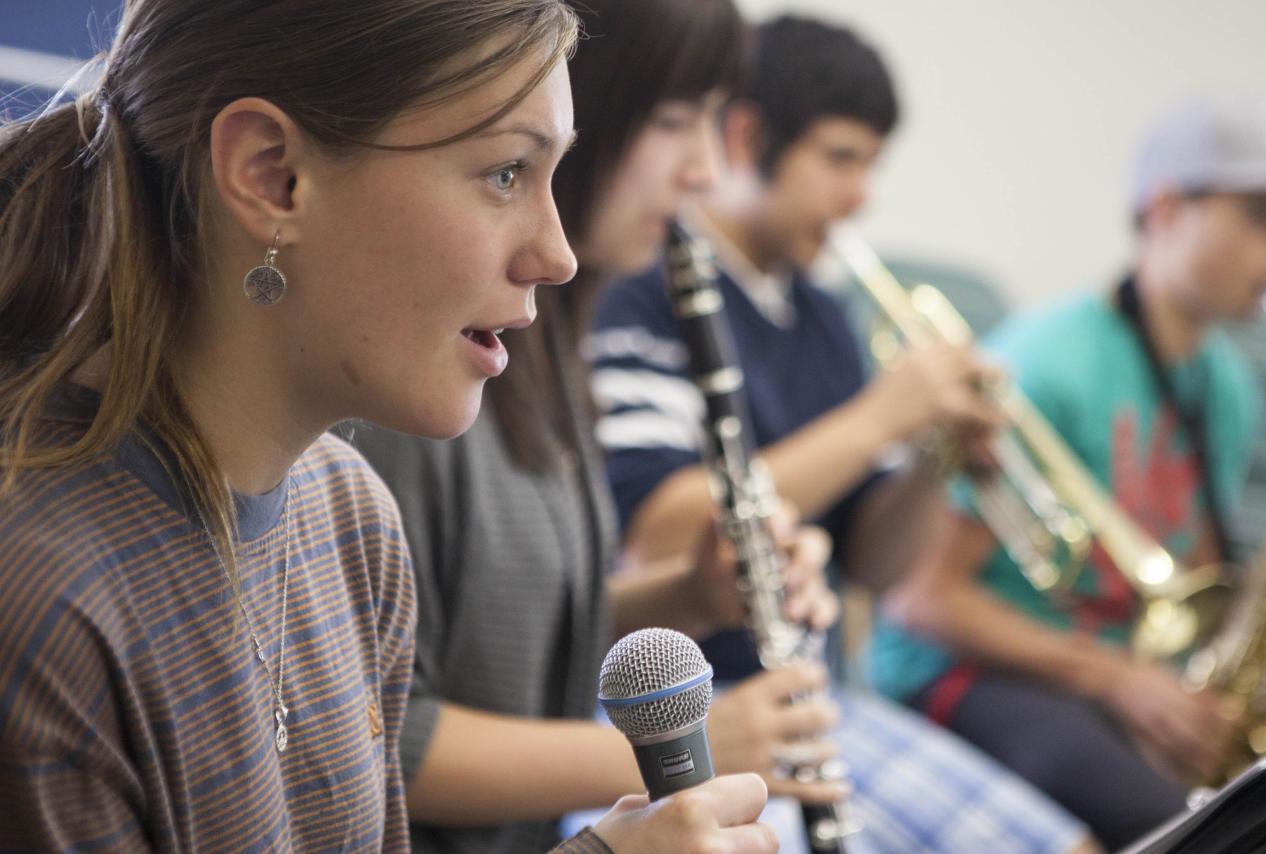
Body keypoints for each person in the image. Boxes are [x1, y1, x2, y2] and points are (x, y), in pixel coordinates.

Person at [0, 1, 777, 852]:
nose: (556, 254)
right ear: (271, 175)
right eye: (506, 172)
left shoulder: (351, 517)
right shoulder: (43, 601)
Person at [589, 14, 1096, 854]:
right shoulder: (642, 282)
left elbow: (879, 568)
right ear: (749, 136)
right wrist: (880, 419)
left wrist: (933, 461)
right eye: (841, 159)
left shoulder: (823, 314)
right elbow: (658, 531)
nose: (862, 196)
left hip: (815, 696)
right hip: (683, 715)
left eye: (871, 165)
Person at [350, 2, 841, 852]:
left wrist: (690, 594)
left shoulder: (550, 347)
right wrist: (684, 746)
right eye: (676, 121)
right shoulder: (410, 367)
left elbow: (506, 630)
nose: (704, 170)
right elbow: (388, 729)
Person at [865, 97, 1266, 849]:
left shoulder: (1226, 383)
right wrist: (1115, 682)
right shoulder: (1045, 361)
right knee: (1189, 829)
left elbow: (1198, 578)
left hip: (1103, 674)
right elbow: (919, 598)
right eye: (1260, 217)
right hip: (963, 673)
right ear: (1165, 210)